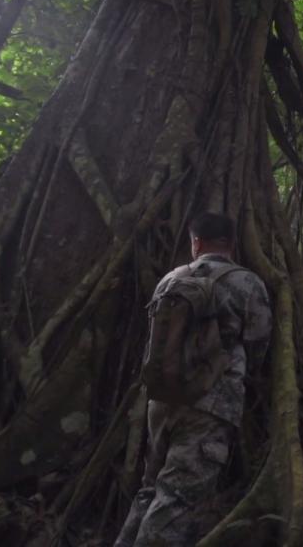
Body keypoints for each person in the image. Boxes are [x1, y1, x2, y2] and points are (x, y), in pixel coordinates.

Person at [115, 212, 273, 547]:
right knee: (177, 499)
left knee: (150, 489)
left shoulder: (169, 280)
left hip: (161, 399)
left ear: (195, 242)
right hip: (212, 404)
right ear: (231, 243)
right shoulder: (248, 283)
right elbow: (259, 342)